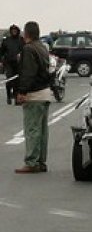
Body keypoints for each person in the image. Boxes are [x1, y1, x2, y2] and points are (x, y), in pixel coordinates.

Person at [15, 21, 51, 174]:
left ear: (26, 33)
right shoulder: (42, 47)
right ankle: (41, 161)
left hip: (34, 94)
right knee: (42, 131)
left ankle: (31, 162)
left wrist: (22, 92)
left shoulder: (28, 49)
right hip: (45, 92)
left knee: (32, 129)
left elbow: (28, 72)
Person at [0, 24, 24, 104]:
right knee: (9, 79)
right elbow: (1, 52)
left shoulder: (21, 40)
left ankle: (17, 98)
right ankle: (8, 96)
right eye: (12, 30)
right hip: (9, 63)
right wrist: (1, 61)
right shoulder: (6, 40)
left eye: (15, 30)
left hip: (18, 63)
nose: (14, 32)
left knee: (17, 81)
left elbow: (25, 50)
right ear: (10, 31)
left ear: (17, 31)